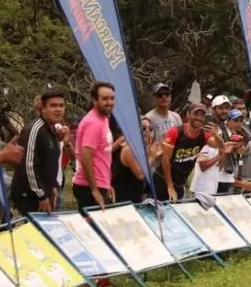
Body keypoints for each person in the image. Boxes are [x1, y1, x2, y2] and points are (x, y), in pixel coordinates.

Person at [10, 88, 66, 216]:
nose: (58, 109)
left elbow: (49, 164)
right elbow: (29, 164)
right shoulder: (35, 129)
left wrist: (53, 187)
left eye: (61, 106)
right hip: (28, 198)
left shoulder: (52, 131)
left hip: (46, 195)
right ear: (43, 108)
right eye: (53, 106)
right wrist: (41, 194)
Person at [157, 103, 223, 201]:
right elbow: (165, 161)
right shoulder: (175, 132)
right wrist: (170, 186)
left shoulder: (204, 135)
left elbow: (219, 146)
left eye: (202, 115)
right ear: (188, 114)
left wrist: (216, 135)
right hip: (162, 180)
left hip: (180, 183)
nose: (199, 118)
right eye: (196, 114)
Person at [72, 82, 116, 212]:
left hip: (100, 184)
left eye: (112, 98)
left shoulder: (103, 118)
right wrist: (94, 189)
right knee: (94, 230)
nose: (109, 102)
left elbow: (102, 154)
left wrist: (106, 183)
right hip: (88, 187)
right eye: (104, 99)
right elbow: (86, 157)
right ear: (94, 100)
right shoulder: (93, 123)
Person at [112, 116, 162, 204]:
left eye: (150, 129)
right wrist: (152, 156)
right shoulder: (129, 149)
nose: (147, 131)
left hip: (135, 196)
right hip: (122, 198)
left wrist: (157, 155)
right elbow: (140, 175)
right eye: (143, 128)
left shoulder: (144, 148)